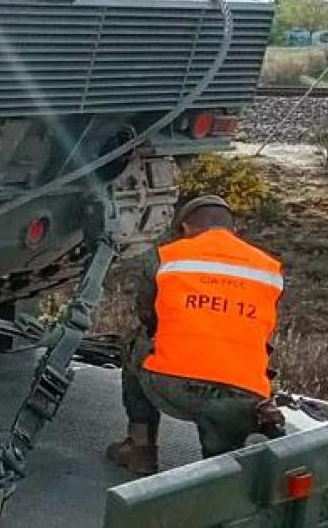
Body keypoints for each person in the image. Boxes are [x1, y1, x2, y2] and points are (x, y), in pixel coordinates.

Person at [106, 195, 285, 475]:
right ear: (231, 230)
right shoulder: (268, 268)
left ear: (186, 228)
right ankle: (222, 460)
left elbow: (147, 315)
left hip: (176, 386)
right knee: (221, 468)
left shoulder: (166, 257)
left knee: (135, 342)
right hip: (243, 395)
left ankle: (140, 448)